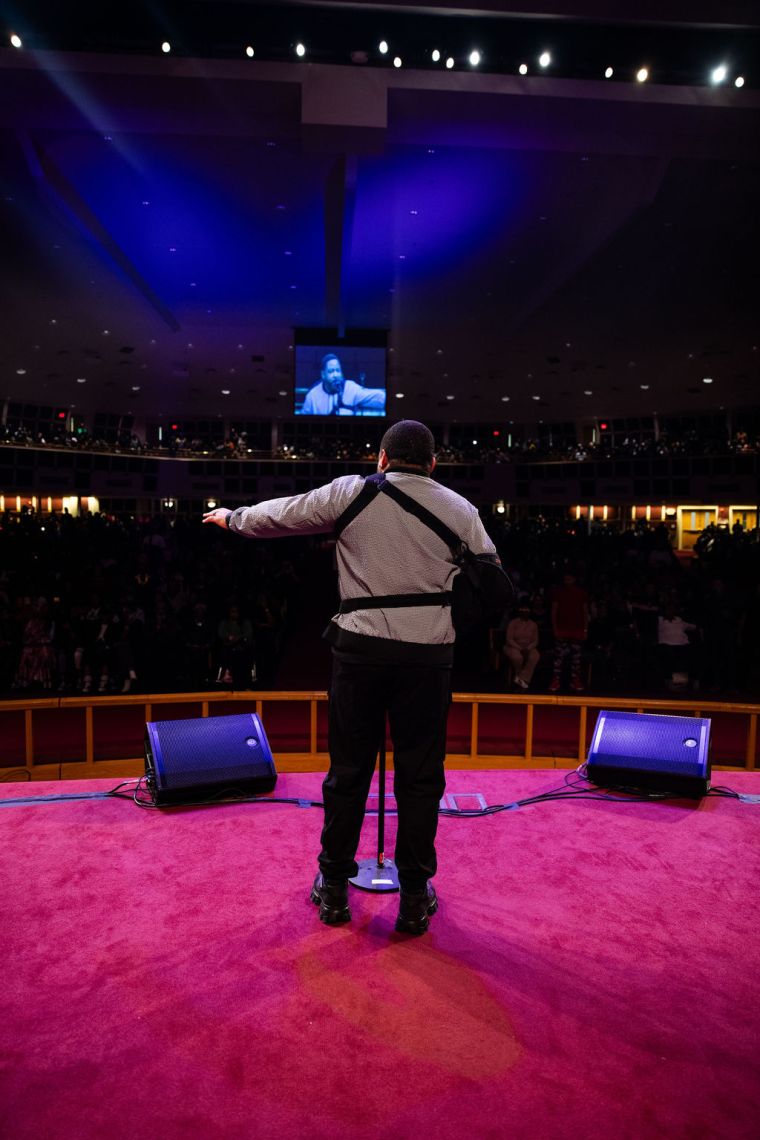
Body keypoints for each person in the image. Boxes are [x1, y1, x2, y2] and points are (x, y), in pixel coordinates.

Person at [203, 420, 500, 935]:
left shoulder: (351, 492)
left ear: (381, 458)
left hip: (360, 651)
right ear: (432, 464)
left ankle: (335, 889)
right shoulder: (459, 508)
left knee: (348, 773)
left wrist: (233, 518)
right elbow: (492, 576)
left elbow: (281, 516)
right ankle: (412, 899)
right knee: (421, 776)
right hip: (429, 657)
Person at [299, 353, 385, 416]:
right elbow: (302, 421)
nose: (335, 375)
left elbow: (381, 398)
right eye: (331, 371)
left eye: (338, 370)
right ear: (323, 374)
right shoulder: (312, 395)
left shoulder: (350, 388)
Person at [548, 571, 589, 692]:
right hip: (562, 629)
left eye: (569, 579)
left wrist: (585, 629)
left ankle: (575, 680)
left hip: (577, 630)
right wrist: (555, 628)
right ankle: (555, 680)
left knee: (576, 658)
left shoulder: (581, 593)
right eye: (565, 579)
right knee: (558, 657)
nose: (567, 582)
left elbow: (585, 612)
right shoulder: (558, 593)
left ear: (574, 580)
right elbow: (554, 611)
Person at [504, 601, 540, 690]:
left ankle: (521, 678)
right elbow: (509, 639)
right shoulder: (513, 623)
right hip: (513, 646)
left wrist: (528, 648)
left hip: (528, 647)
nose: (525, 611)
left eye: (527, 609)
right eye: (522, 609)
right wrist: (520, 648)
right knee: (517, 657)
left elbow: (535, 640)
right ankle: (520, 678)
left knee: (535, 656)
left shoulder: (533, 625)